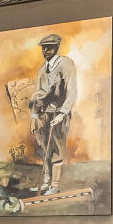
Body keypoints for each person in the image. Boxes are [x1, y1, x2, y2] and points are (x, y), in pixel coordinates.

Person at [28, 32, 78, 195]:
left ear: (57, 47)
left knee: (56, 149)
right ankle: (46, 183)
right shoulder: (42, 70)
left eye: (49, 48)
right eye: (44, 48)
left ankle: (54, 185)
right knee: (44, 148)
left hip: (58, 114)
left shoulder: (66, 64)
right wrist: (33, 118)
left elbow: (71, 92)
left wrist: (62, 114)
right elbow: (37, 95)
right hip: (43, 115)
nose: (46, 51)